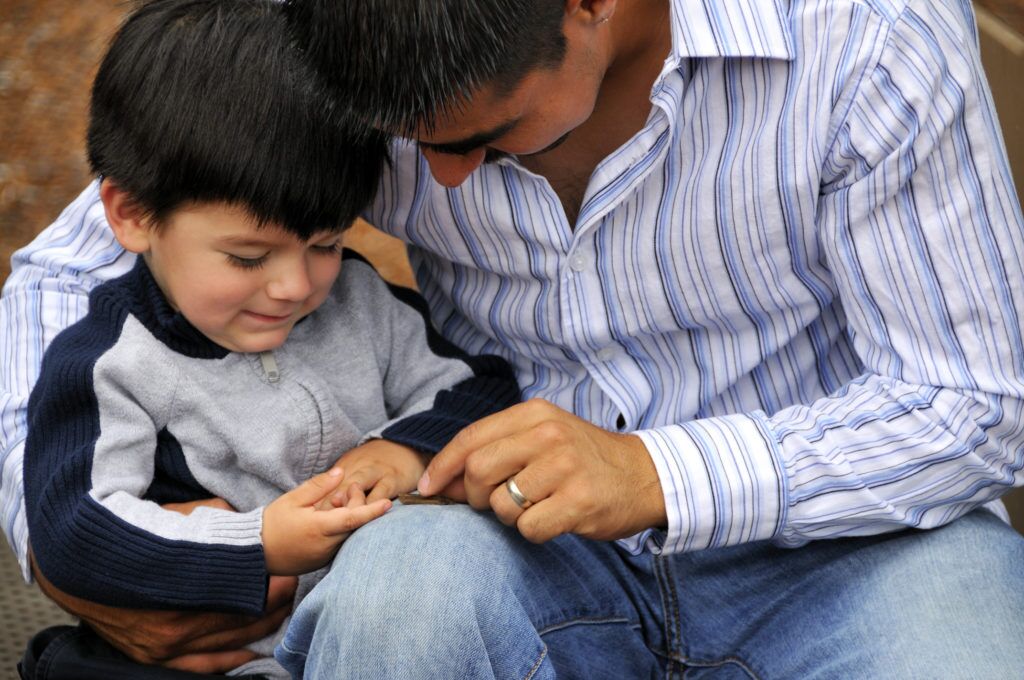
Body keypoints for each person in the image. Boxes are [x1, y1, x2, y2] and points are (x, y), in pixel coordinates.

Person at [3, 0, 1024, 677]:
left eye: (478, 140)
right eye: (414, 147)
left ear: (590, 7)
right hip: (494, 542)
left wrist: (657, 470)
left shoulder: (865, 37)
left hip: (865, 545)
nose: (441, 184)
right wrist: (61, 550)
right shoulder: (322, 25)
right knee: (400, 602)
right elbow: (70, 271)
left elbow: (977, 402)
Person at [12, 1, 519, 678]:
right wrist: (260, 542)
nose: (292, 286)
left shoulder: (358, 306)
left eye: (326, 243)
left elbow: (479, 389)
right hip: (193, 655)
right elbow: (75, 530)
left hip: (350, 639)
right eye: (248, 258)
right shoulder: (111, 362)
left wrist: (399, 450)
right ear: (132, 215)